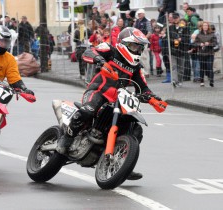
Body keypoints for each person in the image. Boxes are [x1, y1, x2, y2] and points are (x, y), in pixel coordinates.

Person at [56, 27, 161, 180]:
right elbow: (88, 51)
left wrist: (153, 99)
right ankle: (67, 137)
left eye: (140, 48)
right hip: (98, 91)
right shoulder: (110, 50)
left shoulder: (136, 68)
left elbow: (144, 87)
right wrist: (99, 59)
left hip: (117, 100)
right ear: (124, 44)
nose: (137, 51)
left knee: (135, 129)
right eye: (134, 46)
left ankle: (123, 162)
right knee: (88, 111)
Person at [195, 21, 217, 87]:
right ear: (202, 27)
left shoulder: (212, 34)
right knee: (202, 68)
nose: (205, 27)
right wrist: (200, 44)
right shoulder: (199, 34)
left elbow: (215, 43)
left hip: (210, 53)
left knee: (209, 67)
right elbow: (195, 43)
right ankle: (202, 81)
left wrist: (209, 44)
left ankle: (211, 80)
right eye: (204, 25)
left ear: (208, 27)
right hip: (201, 53)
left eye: (206, 26)